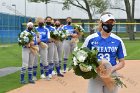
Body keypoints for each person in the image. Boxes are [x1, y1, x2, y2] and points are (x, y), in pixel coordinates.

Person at [82, 12, 127, 93]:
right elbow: (82, 57)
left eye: (111, 22)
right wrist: (94, 67)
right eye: (107, 22)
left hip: (111, 74)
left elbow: (122, 62)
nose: (109, 24)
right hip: (95, 75)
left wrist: (111, 69)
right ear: (101, 23)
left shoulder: (118, 40)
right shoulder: (91, 38)